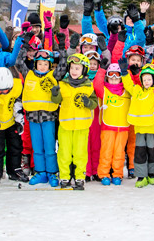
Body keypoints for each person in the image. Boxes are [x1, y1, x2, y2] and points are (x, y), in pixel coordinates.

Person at [15, 48, 65, 187]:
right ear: (35, 64)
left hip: (48, 117)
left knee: (49, 147)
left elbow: (63, 66)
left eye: (46, 64)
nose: (42, 66)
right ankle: (40, 172)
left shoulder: (53, 75)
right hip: (33, 118)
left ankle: (52, 173)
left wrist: (62, 47)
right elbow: (19, 62)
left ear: (49, 65)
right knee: (37, 147)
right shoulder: (28, 74)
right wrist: (23, 44)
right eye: (40, 63)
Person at [51, 54, 99, 190]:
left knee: (80, 153)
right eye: (72, 68)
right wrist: (55, 94)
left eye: (77, 68)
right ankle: (65, 177)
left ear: (84, 70)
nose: (74, 71)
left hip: (82, 126)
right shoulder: (63, 84)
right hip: (65, 125)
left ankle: (79, 177)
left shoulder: (89, 86)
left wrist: (88, 102)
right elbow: (56, 101)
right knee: (64, 152)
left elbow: (94, 103)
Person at [0, 67, 27, 185]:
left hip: (11, 122)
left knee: (15, 147)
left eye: (5, 90)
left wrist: (19, 122)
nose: (2, 93)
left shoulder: (17, 87)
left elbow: (18, 106)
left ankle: (14, 170)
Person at [123, 64, 154, 187]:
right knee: (139, 151)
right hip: (140, 128)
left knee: (152, 151)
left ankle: (151, 174)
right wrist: (125, 73)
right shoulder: (137, 90)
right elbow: (129, 85)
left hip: (153, 127)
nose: (146, 82)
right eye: (144, 79)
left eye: (149, 79)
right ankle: (141, 176)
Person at [94, 61, 131, 185]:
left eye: (117, 75)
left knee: (119, 152)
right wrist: (102, 70)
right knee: (106, 151)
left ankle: (117, 174)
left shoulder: (127, 92)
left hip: (123, 128)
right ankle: (104, 174)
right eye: (111, 75)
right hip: (108, 127)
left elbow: (132, 85)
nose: (114, 78)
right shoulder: (104, 91)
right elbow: (96, 85)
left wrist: (126, 73)